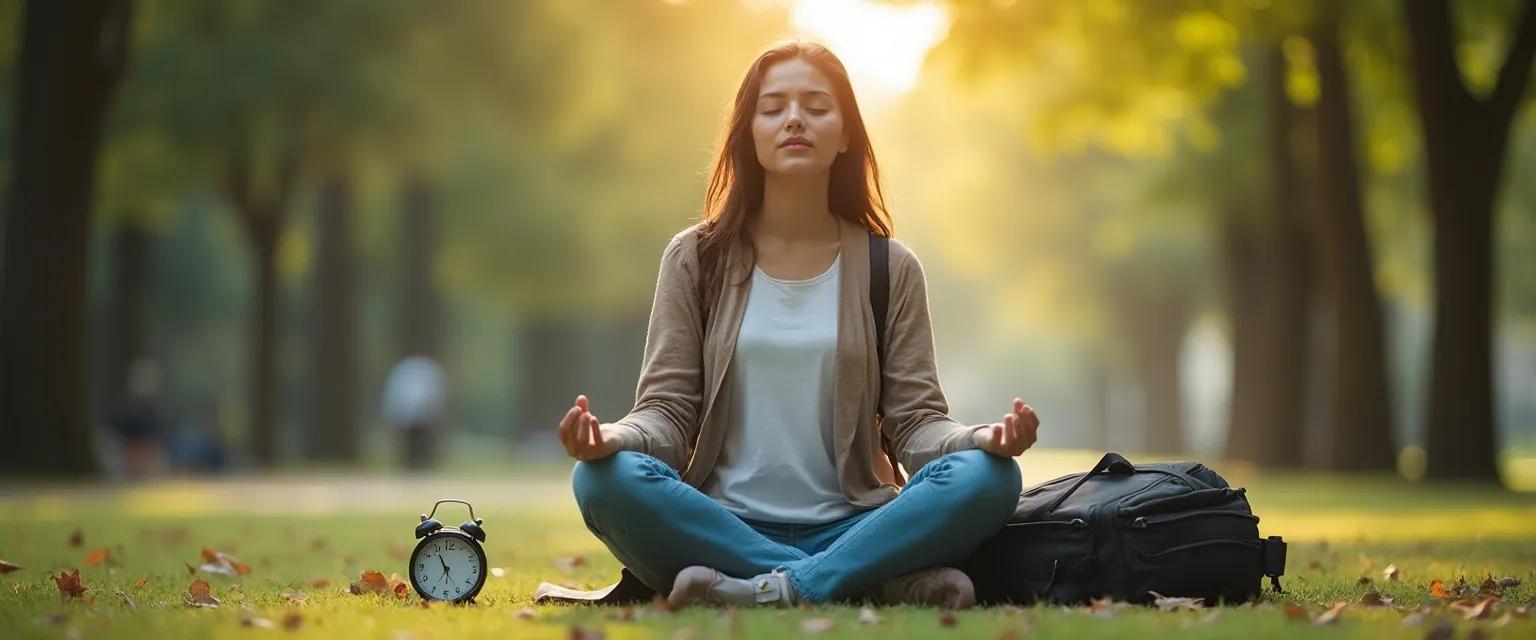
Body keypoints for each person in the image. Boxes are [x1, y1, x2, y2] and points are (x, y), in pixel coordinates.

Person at [559, 41, 1039, 610]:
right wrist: (614, 438)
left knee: (991, 478)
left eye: (816, 106)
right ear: (750, 133)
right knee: (600, 481)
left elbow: (915, 425)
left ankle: (780, 587)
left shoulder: (890, 267)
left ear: (844, 136)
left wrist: (976, 440)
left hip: (853, 525)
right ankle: (869, 583)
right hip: (720, 524)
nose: (794, 119)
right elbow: (667, 412)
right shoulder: (696, 259)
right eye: (774, 107)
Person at [382, 355, 446, 470]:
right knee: (412, 443)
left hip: (414, 414)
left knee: (418, 443)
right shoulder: (427, 369)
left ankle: (418, 466)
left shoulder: (403, 370)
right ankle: (414, 466)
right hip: (412, 414)